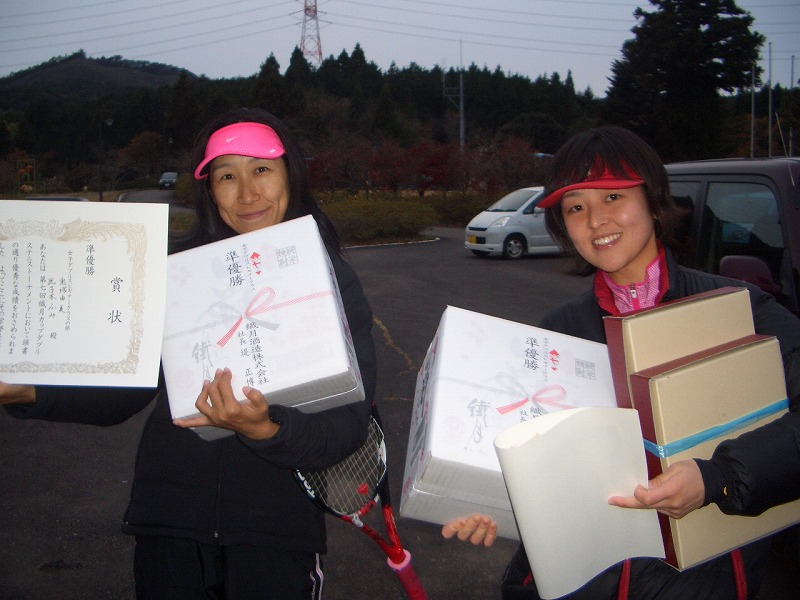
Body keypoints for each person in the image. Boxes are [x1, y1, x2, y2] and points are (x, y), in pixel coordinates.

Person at [1, 107, 378, 600]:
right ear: (209, 190)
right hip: (170, 525)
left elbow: (346, 427)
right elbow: (126, 389)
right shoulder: (174, 272)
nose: (247, 194)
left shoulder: (332, 281)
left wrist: (265, 428)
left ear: (291, 175)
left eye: (261, 170)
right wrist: (27, 391)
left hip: (274, 535)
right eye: (227, 176)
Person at [442, 125, 800, 600]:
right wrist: (492, 506)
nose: (595, 220)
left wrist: (717, 477)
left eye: (613, 196)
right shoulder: (557, 334)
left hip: (701, 583)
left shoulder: (739, 310)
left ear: (652, 200)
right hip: (586, 583)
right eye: (576, 207)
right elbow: (534, 464)